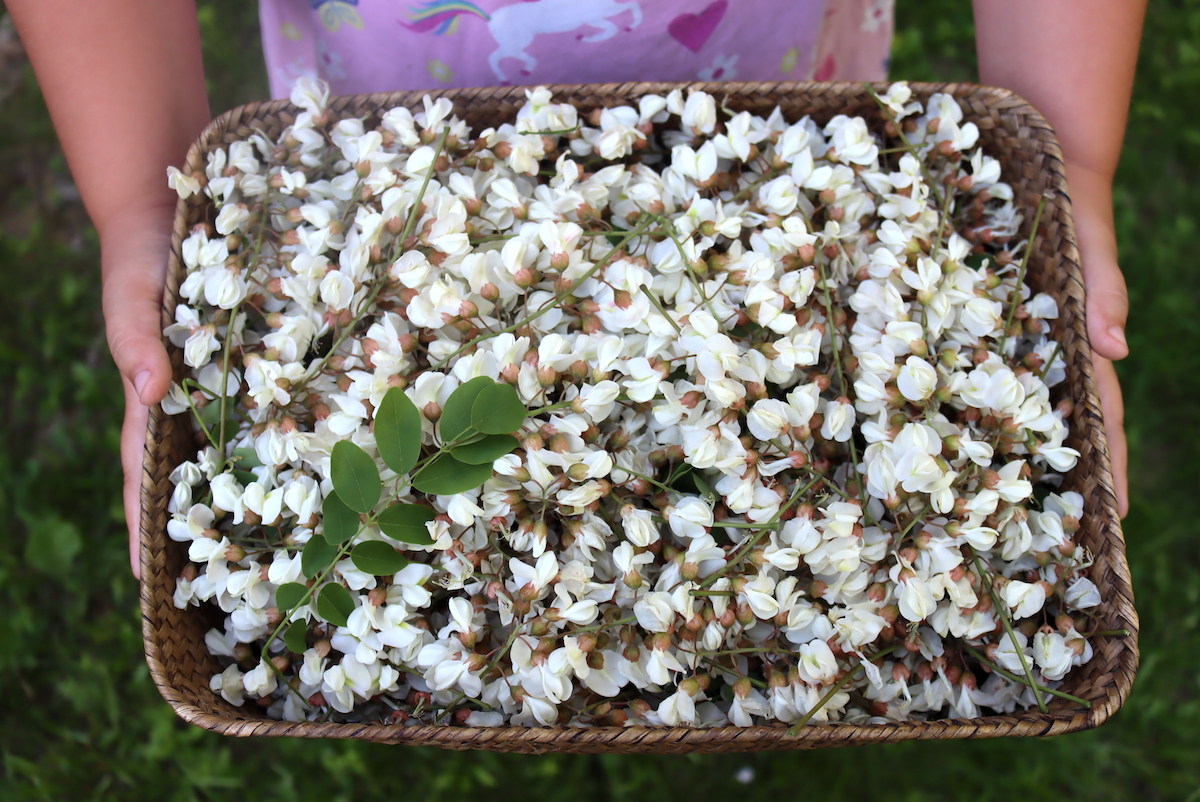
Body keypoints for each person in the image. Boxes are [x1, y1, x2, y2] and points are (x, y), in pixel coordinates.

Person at [7, 0, 1142, 579]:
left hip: (770, 116)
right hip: (391, 128)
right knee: (423, 436)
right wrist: (146, 208)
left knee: (770, 322)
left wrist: (1063, 173)